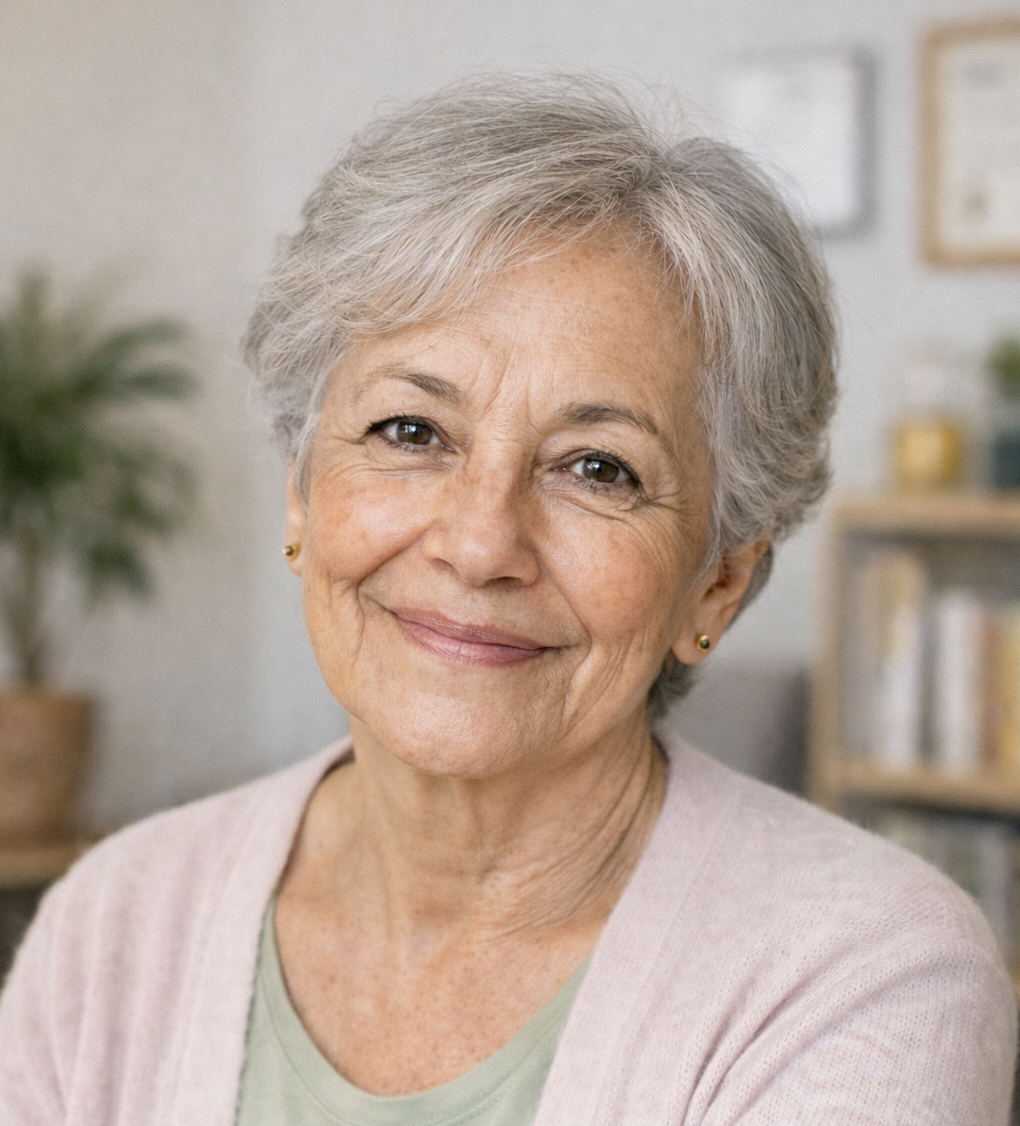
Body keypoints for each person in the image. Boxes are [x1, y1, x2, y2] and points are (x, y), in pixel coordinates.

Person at [0, 75, 1015, 1126]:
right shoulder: (112, 923)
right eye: (410, 432)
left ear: (719, 577)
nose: (481, 543)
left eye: (597, 468)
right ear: (302, 489)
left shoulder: (869, 977)